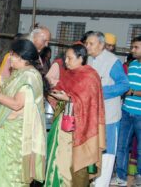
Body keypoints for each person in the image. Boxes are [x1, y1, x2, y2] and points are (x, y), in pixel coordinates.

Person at [0, 39, 47, 186]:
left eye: (12, 54)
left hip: (16, 137)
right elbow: (7, 93)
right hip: (6, 131)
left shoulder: (30, 76)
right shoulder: (20, 73)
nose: (9, 57)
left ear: (21, 57)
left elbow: (16, 104)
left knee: (9, 176)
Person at [45, 44, 106, 187]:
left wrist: (69, 99)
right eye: (65, 57)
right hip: (63, 125)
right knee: (59, 161)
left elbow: (90, 104)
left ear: (81, 58)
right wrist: (55, 94)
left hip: (82, 128)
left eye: (69, 58)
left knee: (74, 164)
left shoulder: (91, 76)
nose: (66, 61)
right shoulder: (68, 74)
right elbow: (62, 91)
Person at [85, 31, 130, 187]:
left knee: (108, 152)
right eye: (87, 43)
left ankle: (102, 183)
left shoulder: (112, 62)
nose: (87, 46)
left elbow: (124, 85)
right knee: (93, 149)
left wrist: (101, 91)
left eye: (91, 43)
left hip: (109, 116)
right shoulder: (89, 60)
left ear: (101, 45)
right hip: (92, 114)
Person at [111, 36, 141, 186]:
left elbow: (131, 89)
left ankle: (139, 177)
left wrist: (133, 92)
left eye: (136, 47)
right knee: (122, 145)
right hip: (126, 111)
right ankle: (121, 178)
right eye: (133, 47)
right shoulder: (133, 65)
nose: (132, 50)